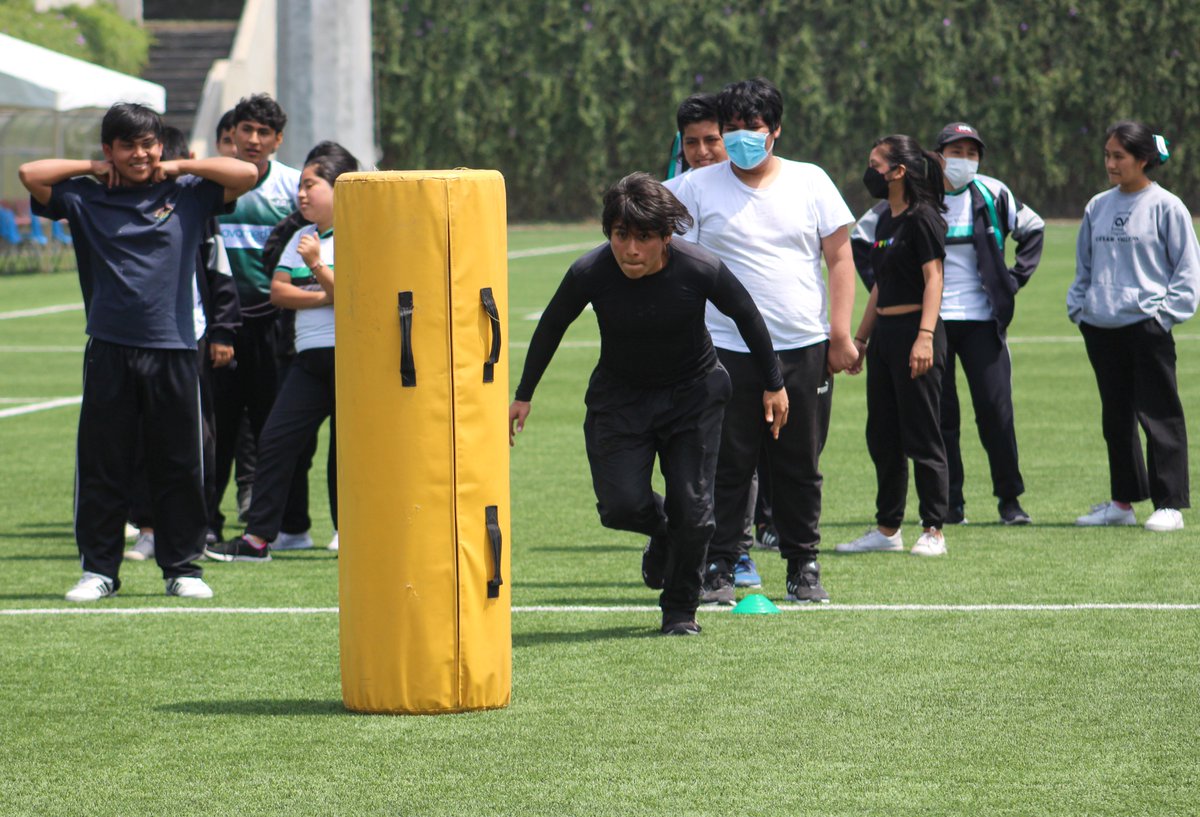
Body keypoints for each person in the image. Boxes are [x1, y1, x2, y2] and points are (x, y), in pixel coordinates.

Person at [509, 172, 787, 635]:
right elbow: (552, 325)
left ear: (666, 237)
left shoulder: (700, 268)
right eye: (621, 236)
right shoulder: (590, 272)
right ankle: (663, 534)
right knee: (620, 506)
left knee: (695, 510)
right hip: (619, 400)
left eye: (643, 238)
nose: (631, 250)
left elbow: (747, 316)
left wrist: (773, 383)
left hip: (693, 395)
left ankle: (680, 609)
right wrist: (524, 394)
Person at [18, 102, 257, 601]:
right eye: (127, 145)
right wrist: (90, 168)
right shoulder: (85, 197)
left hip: (173, 349)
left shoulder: (187, 194)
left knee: (180, 464)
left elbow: (246, 172)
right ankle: (99, 570)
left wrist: (181, 164)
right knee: (104, 463)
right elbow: (29, 173)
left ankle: (182, 569)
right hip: (109, 348)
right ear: (110, 150)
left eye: (147, 144)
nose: (140, 154)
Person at [670, 78, 858, 605]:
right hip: (724, 349)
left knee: (799, 462)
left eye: (752, 129)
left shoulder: (811, 181)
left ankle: (803, 565)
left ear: (775, 130)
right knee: (726, 462)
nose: (740, 139)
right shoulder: (694, 188)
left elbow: (839, 257)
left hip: (802, 345)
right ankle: (721, 565)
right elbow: (662, 247)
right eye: (731, 130)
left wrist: (840, 334)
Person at [851, 122, 1045, 525]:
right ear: (938, 156)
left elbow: (1034, 229)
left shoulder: (992, 193)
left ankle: (1010, 500)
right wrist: (890, 291)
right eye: (956, 151)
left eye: (972, 153)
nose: (965, 160)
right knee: (940, 419)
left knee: (995, 410)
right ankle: (951, 504)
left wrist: (1010, 282)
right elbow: (863, 242)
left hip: (979, 320)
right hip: (931, 322)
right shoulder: (908, 203)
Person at [206, 142, 359, 562]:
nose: (302, 194)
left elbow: (354, 299)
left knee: (348, 453)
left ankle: (354, 534)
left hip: (352, 360)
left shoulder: (362, 233)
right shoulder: (301, 236)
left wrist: (316, 272)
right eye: (301, 186)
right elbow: (278, 293)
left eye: (312, 185)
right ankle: (257, 540)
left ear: (339, 188)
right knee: (274, 440)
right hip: (307, 360)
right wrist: (325, 290)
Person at [1068, 121, 1198, 531]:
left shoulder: (1166, 206)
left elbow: (1187, 272)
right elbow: (1084, 268)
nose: (1111, 163)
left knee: (1159, 414)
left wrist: (1162, 318)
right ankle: (1122, 503)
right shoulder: (1097, 206)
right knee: (1116, 417)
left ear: (1143, 159)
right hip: (1101, 326)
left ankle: (1169, 505)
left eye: (1119, 156)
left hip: (1147, 326)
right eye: (1107, 155)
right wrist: (1081, 308)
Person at [663, 93, 769, 589]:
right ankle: (686, 542)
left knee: (738, 456)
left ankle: (735, 550)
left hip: (746, 342)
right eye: (693, 143)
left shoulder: (758, 191)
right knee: (692, 453)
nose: (704, 151)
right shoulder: (673, 194)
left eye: (712, 140)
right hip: (685, 349)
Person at [124, 126, 241, 562]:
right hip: (133, 342)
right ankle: (148, 527)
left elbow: (219, 273)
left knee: (196, 441)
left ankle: (198, 528)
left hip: (187, 341)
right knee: (139, 438)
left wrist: (224, 331)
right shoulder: (123, 205)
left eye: (159, 162)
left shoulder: (196, 207)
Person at [839, 134, 949, 556]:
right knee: (882, 435)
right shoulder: (886, 218)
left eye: (876, 164)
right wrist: (861, 339)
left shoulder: (923, 218)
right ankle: (888, 529)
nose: (871, 173)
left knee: (922, 433)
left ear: (898, 171)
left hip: (915, 334)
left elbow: (933, 279)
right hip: (885, 336)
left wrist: (924, 337)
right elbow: (881, 285)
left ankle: (934, 528)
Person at [211, 94, 303, 544]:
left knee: (274, 426)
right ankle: (207, 522)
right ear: (233, 133)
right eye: (246, 130)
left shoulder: (290, 186)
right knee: (217, 427)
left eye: (263, 132)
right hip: (221, 324)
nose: (253, 139)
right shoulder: (214, 183)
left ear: (277, 140)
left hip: (275, 324)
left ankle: (276, 524)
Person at [663, 93, 728, 188]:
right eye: (691, 142)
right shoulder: (670, 194)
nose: (702, 152)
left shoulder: (752, 188)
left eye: (711, 140)